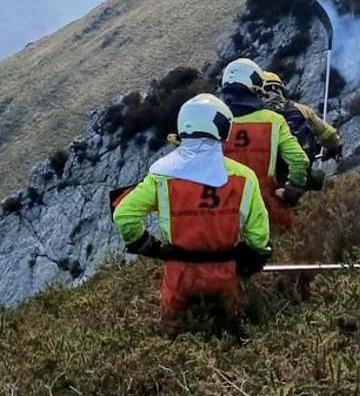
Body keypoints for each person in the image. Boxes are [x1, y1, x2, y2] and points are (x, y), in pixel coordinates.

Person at [111, 93, 271, 321]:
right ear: (221, 129)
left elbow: (124, 215)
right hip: (225, 274)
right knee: (229, 332)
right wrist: (253, 257)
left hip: (179, 276)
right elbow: (259, 236)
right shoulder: (244, 177)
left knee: (174, 334)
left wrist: (150, 247)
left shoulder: (161, 175)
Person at [219, 58, 310, 227]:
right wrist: (292, 191)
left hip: (224, 212)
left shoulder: (217, 125)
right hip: (266, 206)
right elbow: (299, 159)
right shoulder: (273, 120)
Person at [261, 70, 343, 162]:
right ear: (281, 90)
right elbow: (327, 132)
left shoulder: (252, 114)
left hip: (264, 169)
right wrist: (335, 147)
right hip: (301, 164)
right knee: (318, 175)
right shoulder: (301, 109)